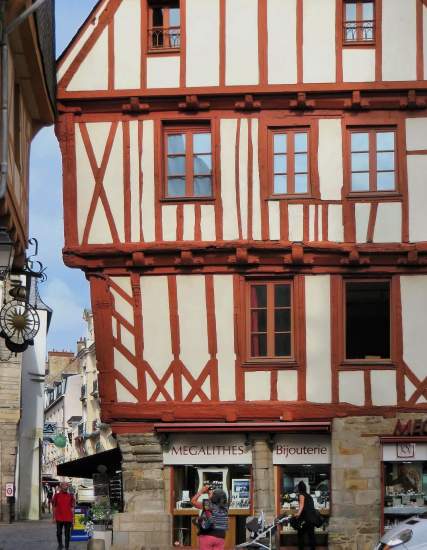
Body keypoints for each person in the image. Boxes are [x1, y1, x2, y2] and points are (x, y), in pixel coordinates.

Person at [191, 485, 229, 550]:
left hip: (207, 535)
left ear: (213, 497)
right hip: (220, 537)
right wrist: (210, 493)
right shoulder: (225, 507)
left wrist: (201, 491)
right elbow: (214, 501)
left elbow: (193, 501)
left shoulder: (207, 504)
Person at [52, 482, 75, 550]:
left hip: (68, 518)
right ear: (61, 487)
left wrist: (73, 518)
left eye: (66, 486)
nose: (65, 487)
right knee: (59, 533)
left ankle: (67, 547)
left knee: (67, 534)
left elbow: (72, 508)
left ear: (67, 487)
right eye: (64, 486)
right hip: (59, 517)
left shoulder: (70, 496)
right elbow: (54, 506)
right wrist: (53, 517)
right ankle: (60, 544)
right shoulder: (56, 495)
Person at [295, 481, 316, 550]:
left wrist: (297, 514)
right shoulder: (309, 495)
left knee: (300, 534)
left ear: (299, 488)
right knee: (311, 536)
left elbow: (301, 506)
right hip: (312, 518)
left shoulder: (301, 495)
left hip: (305, 519)